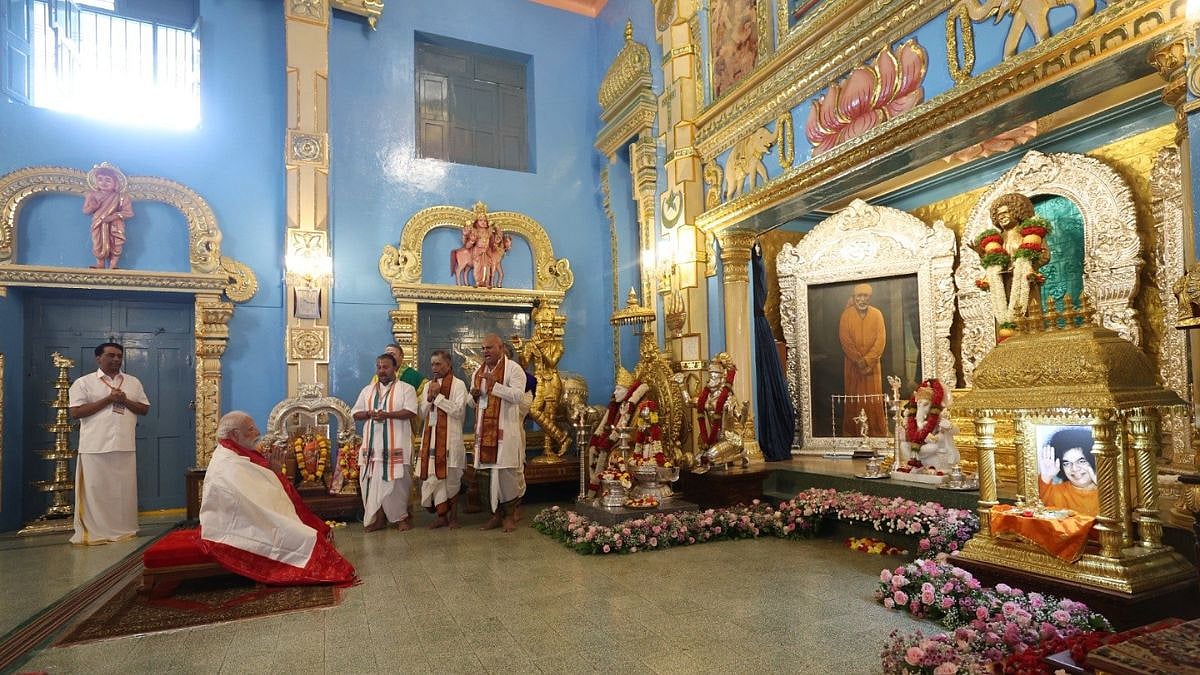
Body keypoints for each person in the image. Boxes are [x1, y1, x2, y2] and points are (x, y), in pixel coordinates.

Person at [199, 412, 356, 586]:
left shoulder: (236, 452)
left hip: (254, 514)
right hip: (239, 524)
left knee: (309, 533)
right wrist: (273, 473)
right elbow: (254, 500)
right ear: (235, 435)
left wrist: (273, 471)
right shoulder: (228, 462)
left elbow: (262, 489)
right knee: (305, 539)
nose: (257, 431)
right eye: (251, 429)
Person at [68, 342, 150, 545]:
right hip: (95, 446)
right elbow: (76, 412)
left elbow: (144, 409)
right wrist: (108, 399)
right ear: (98, 358)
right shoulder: (83, 382)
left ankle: (123, 529)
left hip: (124, 444)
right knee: (96, 491)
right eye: (111, 356)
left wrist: (123, 400)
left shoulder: (132, 382)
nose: (116, 360)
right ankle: (96, 531)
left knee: (122, 491)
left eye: (119, 356)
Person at [471, 333, 530, 532]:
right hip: (485, 432)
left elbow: (517, 396)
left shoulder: (514, 369)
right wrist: (475, 395)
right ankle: (495, 515)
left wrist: (494, 386)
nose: (485, 351)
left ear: (501, 348)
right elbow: (474, 403)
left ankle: (510, 517)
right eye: (483, 348)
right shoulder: (478, 372)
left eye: (489, 347)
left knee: (507, 475)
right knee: (489, 476)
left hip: (506, 431)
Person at [353, 352, 418, 532]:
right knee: (373, 481)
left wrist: (387, 415)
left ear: (395, 368)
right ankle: (378, 519)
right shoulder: (367, 390)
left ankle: (401, 518)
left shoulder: (406, 389)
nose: (382, 371)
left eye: (385, 367)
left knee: (399, 483)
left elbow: (411, 411)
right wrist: (368, 414)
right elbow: (355, 413)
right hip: (373, 448)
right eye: (379, 367)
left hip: (396, 445)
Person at [418, 350, 469, 529]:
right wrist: (430, 398)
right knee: (435, 479)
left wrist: (438, 397)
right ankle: (441, 517)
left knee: (452, 479)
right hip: (431, 441)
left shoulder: (459, 385)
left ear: (448, 365)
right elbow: (422, 413)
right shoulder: (427, 386)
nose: (434, 367)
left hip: (451, 442)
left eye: (438, 364)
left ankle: (454, 517)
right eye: (432, 364)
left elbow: (459, 411)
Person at [838, 283, 887, 436]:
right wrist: (858, 360)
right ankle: (853, 433)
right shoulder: (846, 315)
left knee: (873, 400)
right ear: (854, 297)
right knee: (854, 397)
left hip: (873, 367)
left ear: (869, 297)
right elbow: (845, 340)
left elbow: (881, 340)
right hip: (852, 367)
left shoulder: (877, 314)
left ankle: (876, 433)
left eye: (865, 296)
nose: (862, 299)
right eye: (859, 296)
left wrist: (867, 361)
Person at [82, 163, 134, 269]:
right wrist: (93, 207)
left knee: (116, 243)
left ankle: (113, 265)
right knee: (98, 243)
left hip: (115, 224)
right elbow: (85, 211)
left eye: (108, 180)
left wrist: (115, 216)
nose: (103, 182)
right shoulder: (92, 195)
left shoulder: (121, 197)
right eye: (100, 179)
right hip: (98, 222)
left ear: (115, 183)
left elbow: (129, 212)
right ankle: (100, 264)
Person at [1038, 428, 1099, 516]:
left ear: (1093, 460)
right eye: (1067, 463)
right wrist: (1045, 478)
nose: (1074, 468)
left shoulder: (1112, 491)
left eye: (1081, 461)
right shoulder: (1056, 493)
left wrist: (1104, 488)